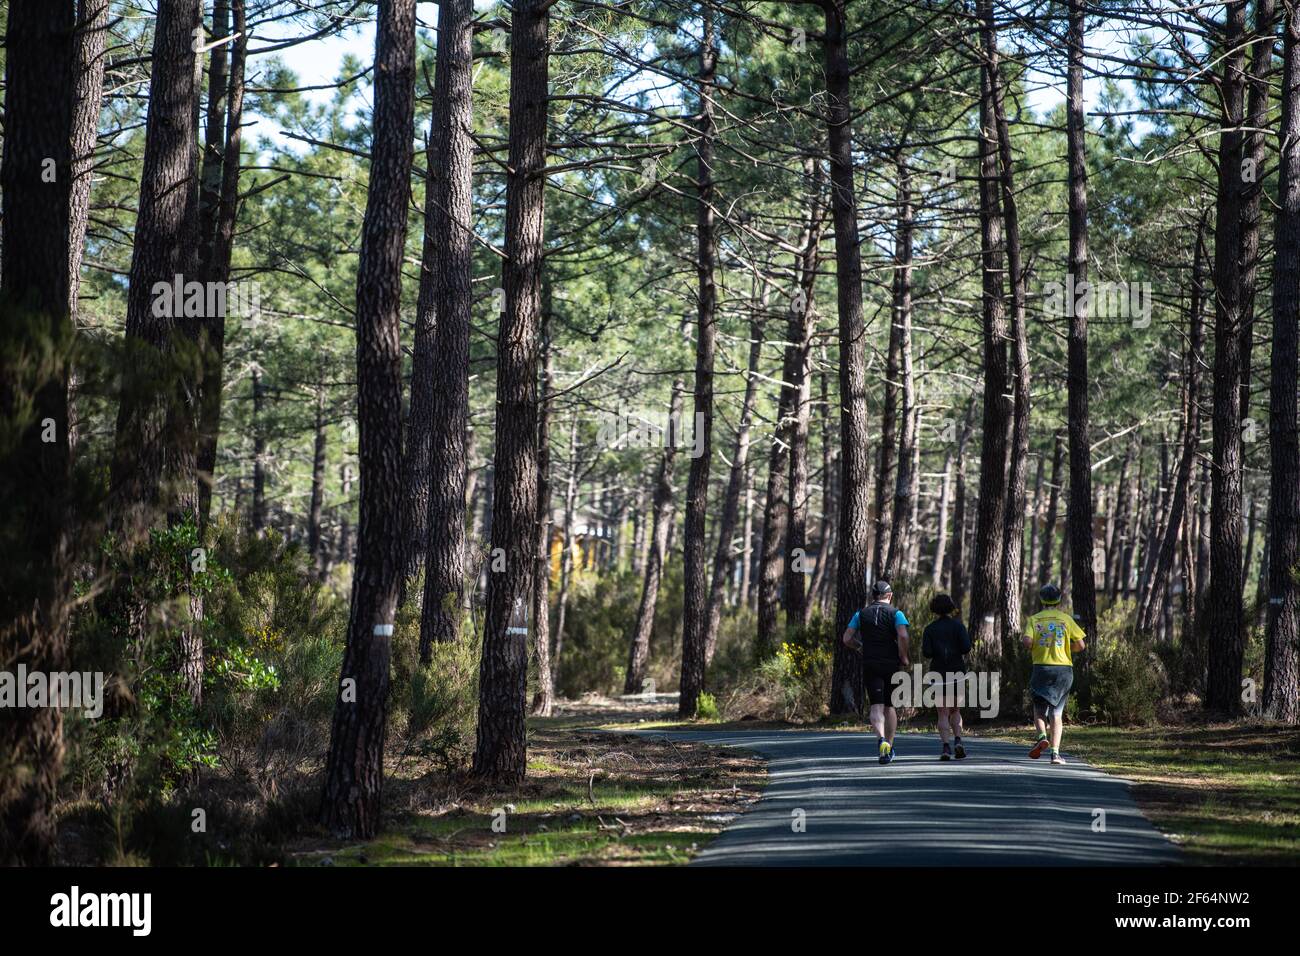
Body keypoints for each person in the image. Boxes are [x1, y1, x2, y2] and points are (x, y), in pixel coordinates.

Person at [842, 580, 910, 764]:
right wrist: (903, 656)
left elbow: (847, 638)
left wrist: (860, 647)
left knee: (875, 706)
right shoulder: (897, 613)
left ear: (873, 596)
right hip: (890, 663)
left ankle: (880, 740)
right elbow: (903, 635)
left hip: (870, 662)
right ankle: (889, 745)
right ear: (889, 596)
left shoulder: (860, 614)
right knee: (890, 706)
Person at [1022, 583, 1086, 765]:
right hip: (1063, 670)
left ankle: (1042, 736)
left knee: (1039, 710)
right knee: (1056, 714)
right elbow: (1081, 645)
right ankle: (1055, 754)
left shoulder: (1035, 619)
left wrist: (1035, 646)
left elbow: (1027, 642)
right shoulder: (1066, 619)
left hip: (1041, 668)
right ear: (1059, 600)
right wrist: (1067, 649)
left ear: (1041, 600)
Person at [921, 593, 971, 761]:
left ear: (934, 609)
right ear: (951, 608)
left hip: (938, 673)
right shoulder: (958, 627)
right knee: (955, 710)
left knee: (942, 712)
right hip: (957, 671)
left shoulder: (930, 629)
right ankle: (958, 740)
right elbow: (966, 648)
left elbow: (927, 653)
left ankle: (945, 747)